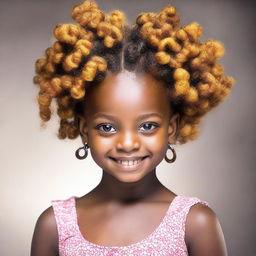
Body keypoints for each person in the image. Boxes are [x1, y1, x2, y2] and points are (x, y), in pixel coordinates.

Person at [30, 1, 234, 255]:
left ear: (171, 128)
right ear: (84, 129)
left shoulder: (195, 224)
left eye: (147, 126)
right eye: (107, 127)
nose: (127, 143)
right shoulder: (55, 227)